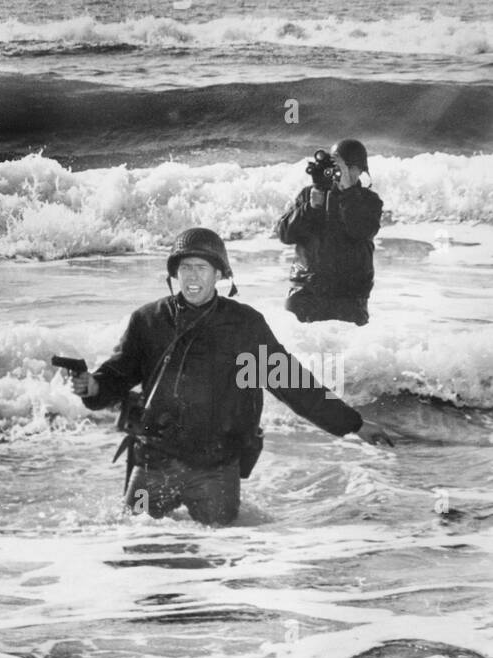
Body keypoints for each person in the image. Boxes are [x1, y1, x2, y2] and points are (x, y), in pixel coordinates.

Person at [68, 227, 392, 526]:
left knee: (223, 557)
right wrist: (92, 386)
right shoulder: (149, 321)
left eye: (202, 268)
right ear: (174, 273)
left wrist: (354, 424)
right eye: (185, 268)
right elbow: (117, 375)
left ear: (220, 273)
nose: (192, 277)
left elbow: (291, 384)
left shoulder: (243, 326)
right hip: (153, 468)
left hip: (216, 472)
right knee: (132, 537)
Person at [275, 138, 382, 326]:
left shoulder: (369, 200)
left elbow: (361, 230)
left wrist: (348, 193)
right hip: (306, 291)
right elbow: (285, 234)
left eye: (345, 167)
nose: (337, 173)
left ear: (358, 170)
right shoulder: (309, 195)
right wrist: (311, 206)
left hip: (348, 297)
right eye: (334, 166)